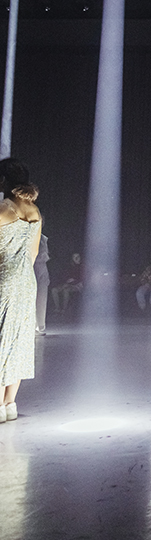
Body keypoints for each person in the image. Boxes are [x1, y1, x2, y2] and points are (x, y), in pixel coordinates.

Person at [0, 158, 42, 423]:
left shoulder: (4, 209)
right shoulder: (34, 209)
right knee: (17, 341)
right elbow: (34, 252)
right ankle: (10, 404)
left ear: (3, 181)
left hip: (3, 278)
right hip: (26, 280)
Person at [33, 232, 49, 335]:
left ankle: (40, 325)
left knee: (42, 297)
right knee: (32, 297)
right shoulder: (28, 235)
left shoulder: (43, 238)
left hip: (41, 267)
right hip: (31, 267)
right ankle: (34, 325)